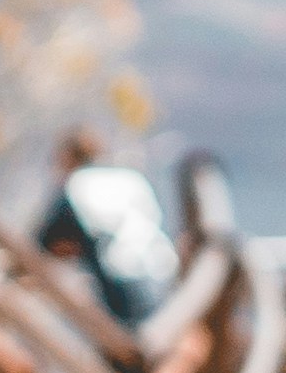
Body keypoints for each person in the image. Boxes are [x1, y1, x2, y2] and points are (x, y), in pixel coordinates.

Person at [37, 128, 181, 326]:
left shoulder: (76, 188)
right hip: (166, 283)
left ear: (67, 157)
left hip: (123, 296)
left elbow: (41, 246)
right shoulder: (132, 180)